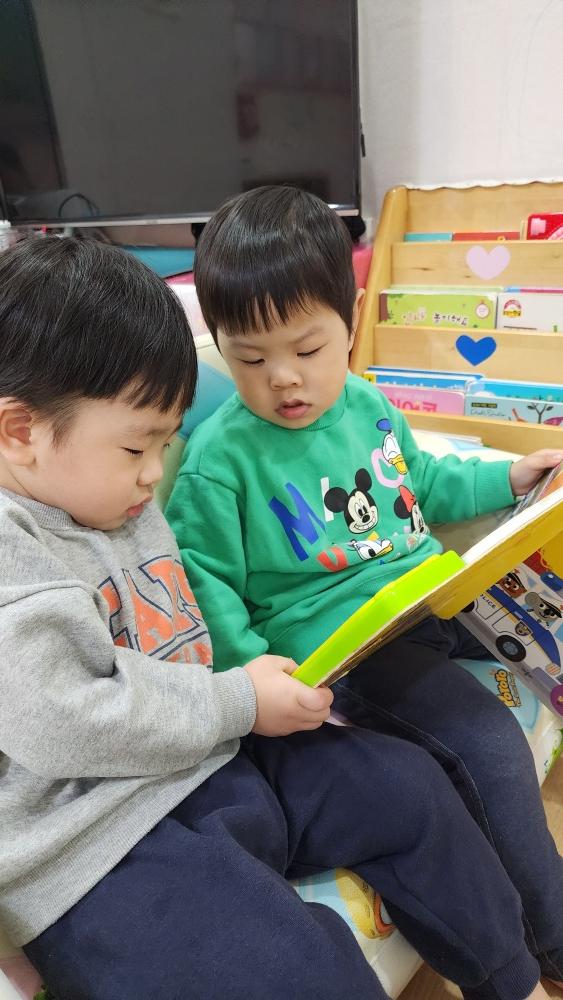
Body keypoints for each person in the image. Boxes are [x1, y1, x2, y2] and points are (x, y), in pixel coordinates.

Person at [0, 236, 551, 1000]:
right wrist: (240, 697)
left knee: (409, 787)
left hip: (217, 762)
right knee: (295, 966)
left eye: (164, 441)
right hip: (102, 842)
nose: (155, 473)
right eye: (135, 448)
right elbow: (61, 720)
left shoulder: (113, 495)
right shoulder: (16, 543)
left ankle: (516, 982)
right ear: (18, 431)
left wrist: (243, 706)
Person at [166, 185, 563, 993]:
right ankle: (551, 940)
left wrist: (508, 477)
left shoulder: (366, 401)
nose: (284, 379)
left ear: (349, 320)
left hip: (432, 594)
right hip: (355, 644)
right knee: (485, 743)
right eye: (249, 359)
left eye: (307, 348)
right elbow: (202, 582)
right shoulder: (219, 460)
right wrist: (254, 674)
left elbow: (423, 482)